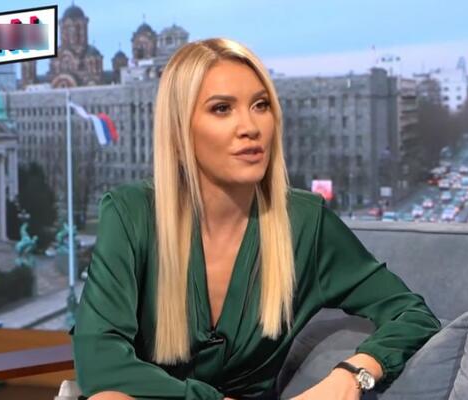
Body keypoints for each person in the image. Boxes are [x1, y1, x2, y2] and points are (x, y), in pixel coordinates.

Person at [71, 38, 441, 400]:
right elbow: (100, 362)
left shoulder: (305, 225)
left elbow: (412, 313)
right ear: (180, 129)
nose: (250, 127)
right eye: (222, 108)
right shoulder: (130, 214)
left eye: (260, 105)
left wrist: (354, 373)